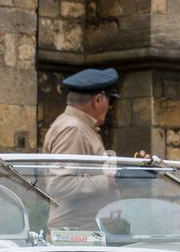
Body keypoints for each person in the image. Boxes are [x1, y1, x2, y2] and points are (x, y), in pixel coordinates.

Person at [42, 68, 121, 230]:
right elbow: (60, 184)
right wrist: (109, 180)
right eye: (111, 101)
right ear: (98, 100)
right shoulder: (73, 128)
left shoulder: (79, 126)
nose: (111, 107)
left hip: (84, 232)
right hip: (76, 235)